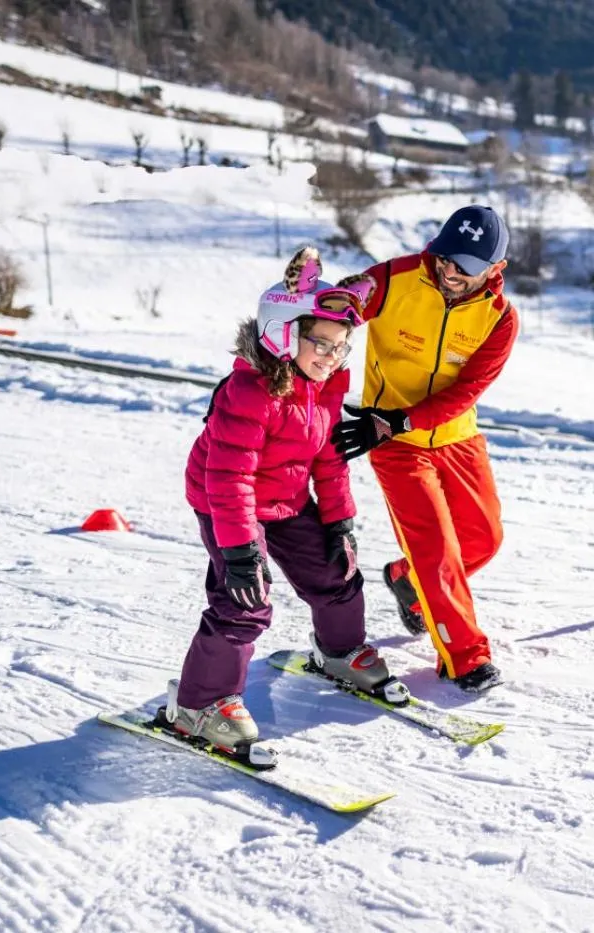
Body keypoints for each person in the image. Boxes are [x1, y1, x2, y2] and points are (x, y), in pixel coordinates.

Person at [167, 246, 407, 765]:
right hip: (227, 500)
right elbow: (228, 474)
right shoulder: (250, 390)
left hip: (286, 498)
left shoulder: (325, 387)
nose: (330, 355)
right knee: (245, 601)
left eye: (341, 346)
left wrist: (340, 518)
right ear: (284, 332)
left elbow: (328, 458)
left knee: (336, 570)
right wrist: (238, 552)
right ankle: (198, 705)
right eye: (319, 341)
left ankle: (339, 653)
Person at [330, 205, 519, 694]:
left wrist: (406, 419)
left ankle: (404, 578)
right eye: (444, 258)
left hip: (455, 435)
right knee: (436, 548)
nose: (449, 271)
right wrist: (326, 303)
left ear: (495, 270)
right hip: (392, 442)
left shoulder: (500, 318)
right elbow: (342, 307)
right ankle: (464, 657)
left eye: (465, 267)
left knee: (483, 540)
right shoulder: (396, 279)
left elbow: (468, 389)